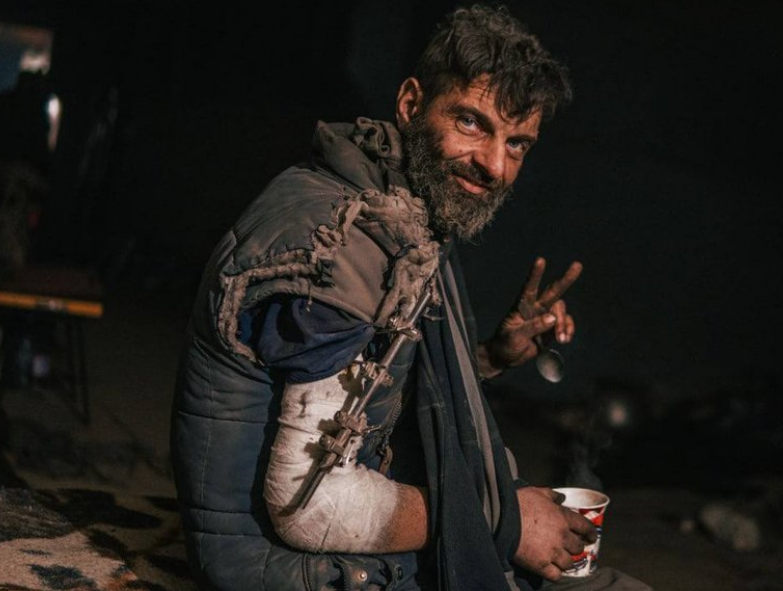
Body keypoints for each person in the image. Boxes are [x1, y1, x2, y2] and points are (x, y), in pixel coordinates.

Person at [170, 4, 651, 590]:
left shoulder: (392, 204)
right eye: (471, 123)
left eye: (518, 144)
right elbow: (311, 508)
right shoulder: (348, 244)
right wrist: (502, 519)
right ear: (410, 103)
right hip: (277, 566)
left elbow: (369, 382)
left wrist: (489, 357)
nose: (495, 165)